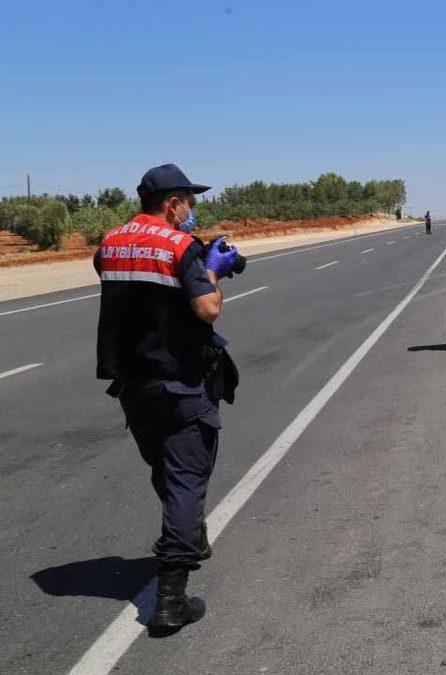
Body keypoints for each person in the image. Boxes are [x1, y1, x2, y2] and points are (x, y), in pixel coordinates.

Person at [94, 164, 241, 633]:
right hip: (180, 382)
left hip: (133, 388)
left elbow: (118, 274)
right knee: (186, 481)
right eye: (189, 203)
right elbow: (207, 309)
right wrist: (212, 270)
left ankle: (191, 535)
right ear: (172, 203)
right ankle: (171, 597)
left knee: (166, 470)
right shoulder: (181, 246)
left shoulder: (111, 242)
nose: (192, 212)